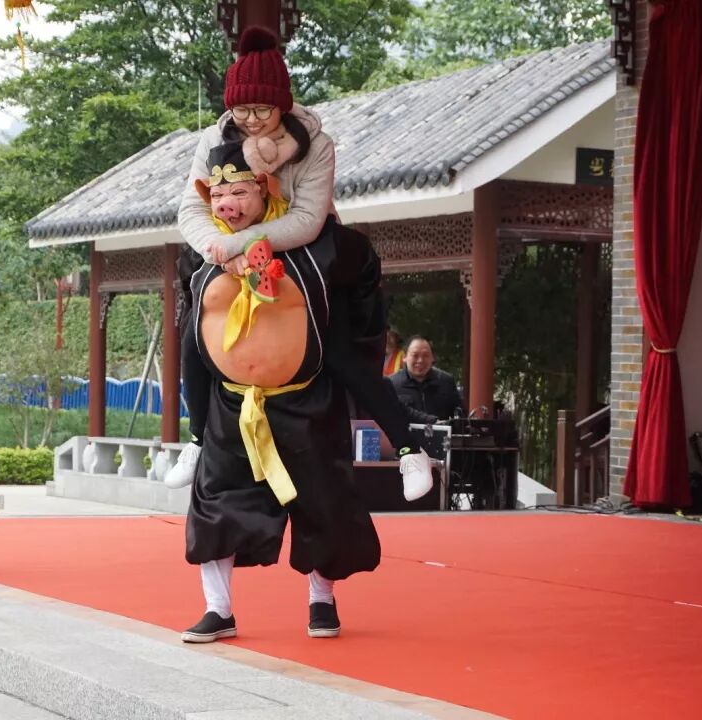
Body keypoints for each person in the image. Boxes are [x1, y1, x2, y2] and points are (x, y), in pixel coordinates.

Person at [178, 141, 426, 644]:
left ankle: (322, 597)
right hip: (233, 403)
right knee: (215, 504)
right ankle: (217, 609)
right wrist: (199, 424)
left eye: (238, 192)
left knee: (324, 504)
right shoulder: (200, 254)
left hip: (305, 398)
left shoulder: (319, 246)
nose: (227, 204)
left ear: (264, 188)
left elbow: (363, 281)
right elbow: (193, 332)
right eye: (218, 195)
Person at [166, 26, 431, 494]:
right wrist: (218, 248)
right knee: (193, 332)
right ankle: (196, 439)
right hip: (227, 245)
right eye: (242, 110)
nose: (250, 120)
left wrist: (245, 243)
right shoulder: (212, 139)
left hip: (299, 245)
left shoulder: (316, 144)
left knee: (341, 351)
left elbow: (307, 218)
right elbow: (192, 208)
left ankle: (411, 450)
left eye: (261, 110)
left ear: (282, 105)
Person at [389, 336, 464, 424]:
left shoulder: (446, 381)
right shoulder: (392, 384)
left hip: (440, 432)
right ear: (404, 357)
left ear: (433, 358)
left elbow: (460, 416)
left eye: (425, 355)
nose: (420, 360)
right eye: (415, 355)